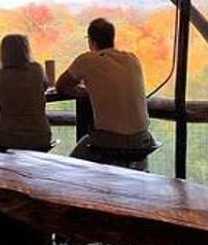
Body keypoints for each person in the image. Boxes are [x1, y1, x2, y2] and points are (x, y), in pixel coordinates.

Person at [56, 17, 158, 161]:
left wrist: (86, 91)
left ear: (91, 41)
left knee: (73, 165)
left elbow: (61, 86)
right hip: (143, 140)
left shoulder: (87, 60)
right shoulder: (132, 59)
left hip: (111, 142)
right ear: (112, 39)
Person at [0, 34, 53, 151]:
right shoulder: (36, 69)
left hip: (10, 139)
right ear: (26, 50)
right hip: (41, 137)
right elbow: (45, 86)